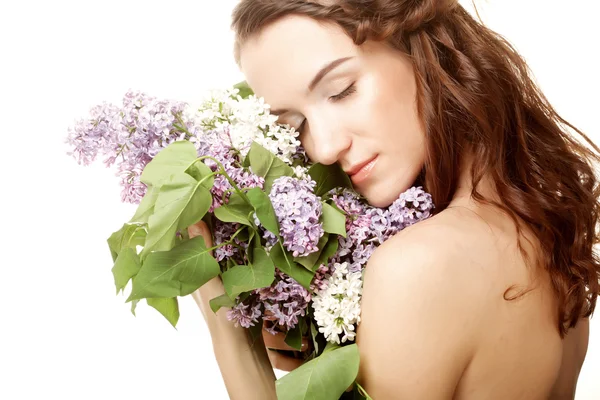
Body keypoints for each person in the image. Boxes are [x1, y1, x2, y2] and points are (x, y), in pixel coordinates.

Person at [188, 1, 600, 398]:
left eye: (341, 90)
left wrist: (231, 335)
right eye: (296, 125)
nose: (325, 147)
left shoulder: (417, 267)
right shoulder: (549, 232)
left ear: (422, 48)